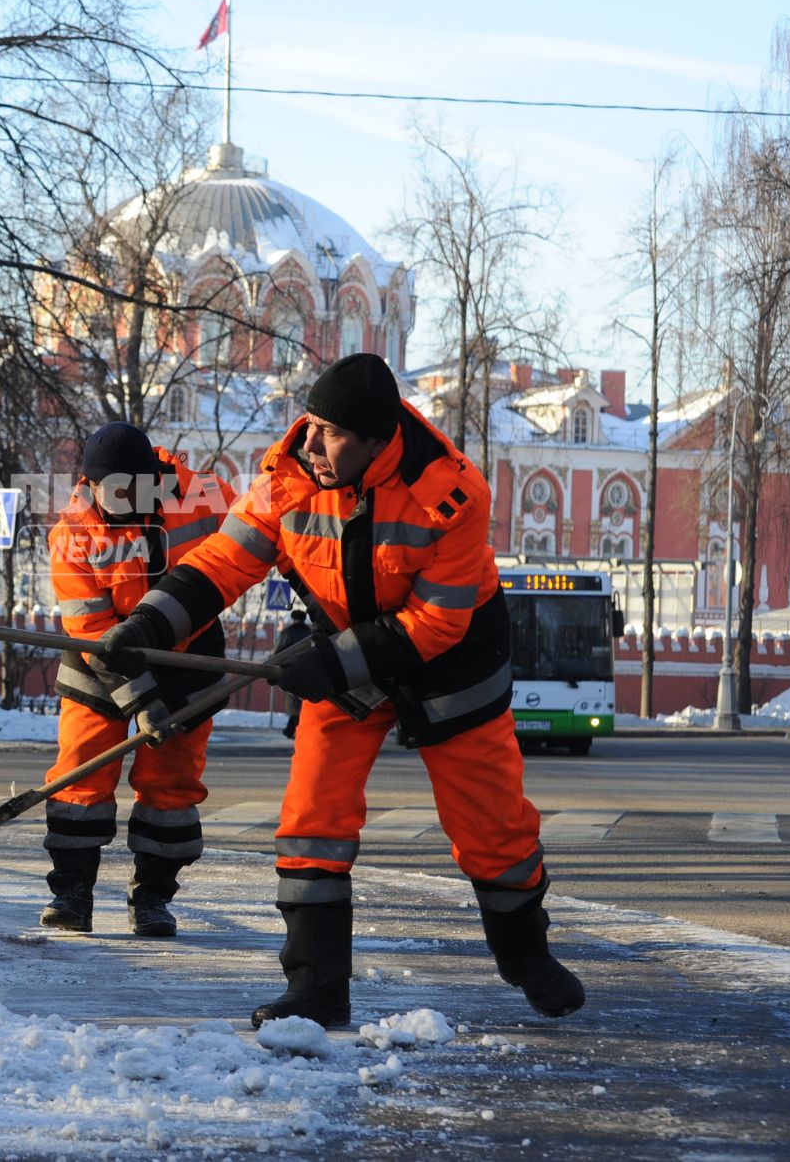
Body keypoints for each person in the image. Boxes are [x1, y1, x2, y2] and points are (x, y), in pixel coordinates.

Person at [95, 354, 584, 1025]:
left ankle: (526, 954)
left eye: (331, 432)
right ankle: (316, 990)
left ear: (378, 439)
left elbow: (438, 623)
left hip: (452, 665)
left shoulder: (452, 491)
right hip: (345, 654)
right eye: (312, 424)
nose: (313, 442)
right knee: (311, 820)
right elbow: (223, 559)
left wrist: (329, 662)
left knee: (493, 826)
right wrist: (149, 619)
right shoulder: (290, 471)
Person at [45, 422, 230, 937]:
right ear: (91, 483)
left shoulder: (203, 497)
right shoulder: (72, 534)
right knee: (79, 777)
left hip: (188, 660)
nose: (126, 498)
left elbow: (266, 536)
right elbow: (91, 628)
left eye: (136, 487)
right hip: (98, 663)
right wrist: (141, 700)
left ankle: (152, 896)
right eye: (115, 490)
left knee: (171, 786)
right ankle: (72, 894)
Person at [275, 608, 313, 739]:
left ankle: (292, 729)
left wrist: (273, 672)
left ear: (293, 618)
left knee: (292, 700)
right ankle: (292, 728)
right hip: (308, 670)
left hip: (289, 670)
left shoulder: (287, 633)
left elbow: (279, 652)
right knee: (303, 700)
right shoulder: (310, 633)